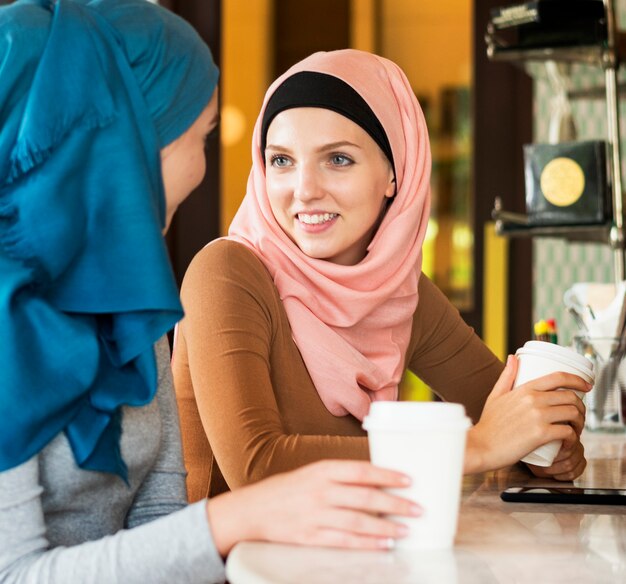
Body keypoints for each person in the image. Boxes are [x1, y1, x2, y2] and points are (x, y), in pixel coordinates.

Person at [0, 2, 422, 582]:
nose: (203, 168)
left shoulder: (128, 303)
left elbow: (158, 516)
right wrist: (241, 515)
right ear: (130, 143)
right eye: (200, 136)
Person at [172, 48, 591, 503]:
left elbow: (505, 413)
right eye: (281, 161)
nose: (304, 190)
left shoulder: (398, 294)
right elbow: (257, 466)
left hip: (349, 557)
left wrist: (546, 439)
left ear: (395, 172)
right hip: (234, 570)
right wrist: (477, 446)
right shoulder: (227, 273)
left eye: (337, 160)